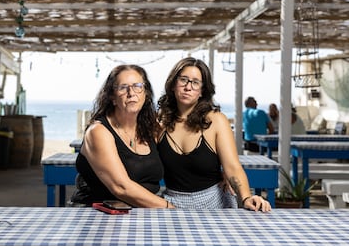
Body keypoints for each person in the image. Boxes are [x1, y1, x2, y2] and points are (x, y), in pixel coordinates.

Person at [157, 57, 271, 212]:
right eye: (183, 80)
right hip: (171, 204)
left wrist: (246, 197)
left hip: (215, 203)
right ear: (173, 84)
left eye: (195, 82)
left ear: (202, 90)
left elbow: (232, 167)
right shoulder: (158, 124)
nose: (188, 87)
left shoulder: (216, 121)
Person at [70, 64, 174, 208]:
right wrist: (171, 208)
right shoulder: (98, 132)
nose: (131, 93)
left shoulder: (151, 128)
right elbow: (121, 188)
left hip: (141, 211)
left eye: (138, 86)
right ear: (112, 97)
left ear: (146, 94)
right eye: (123, 87)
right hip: (99, 214)